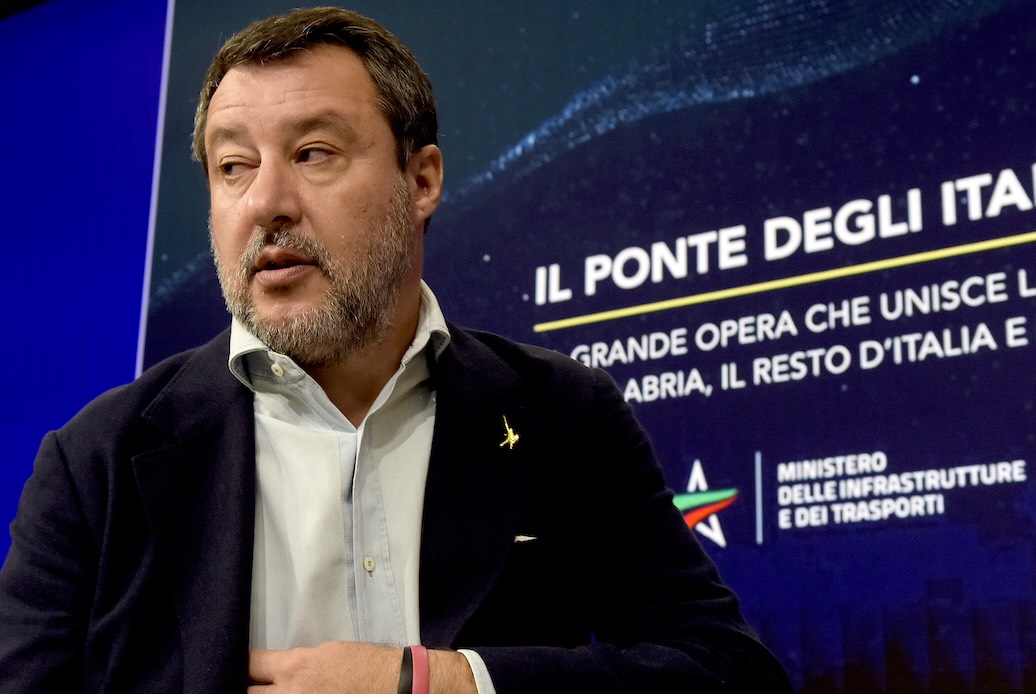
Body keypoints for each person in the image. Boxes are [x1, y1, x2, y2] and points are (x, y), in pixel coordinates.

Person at [0, 7, 790, 693]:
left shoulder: (563, 413)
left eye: (312, 153)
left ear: (421, 180)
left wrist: (437, 682)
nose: (266, 202)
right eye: (233, 167)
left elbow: (724, 671)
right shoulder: (95, 462)